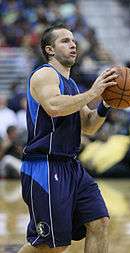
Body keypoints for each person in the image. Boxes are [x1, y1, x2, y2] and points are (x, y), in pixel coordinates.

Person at [18, 24, 118, 253]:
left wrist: (105, 104)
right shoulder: (44, 74)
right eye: (65, 41)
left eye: (73, 40)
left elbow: (89, 126)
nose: (73, 44)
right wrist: (92, 93)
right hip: (44, 165)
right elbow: (53, 106)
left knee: (99, 221)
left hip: (71, 166)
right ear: (50, 49)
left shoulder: (72, 85)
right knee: (52, 245)